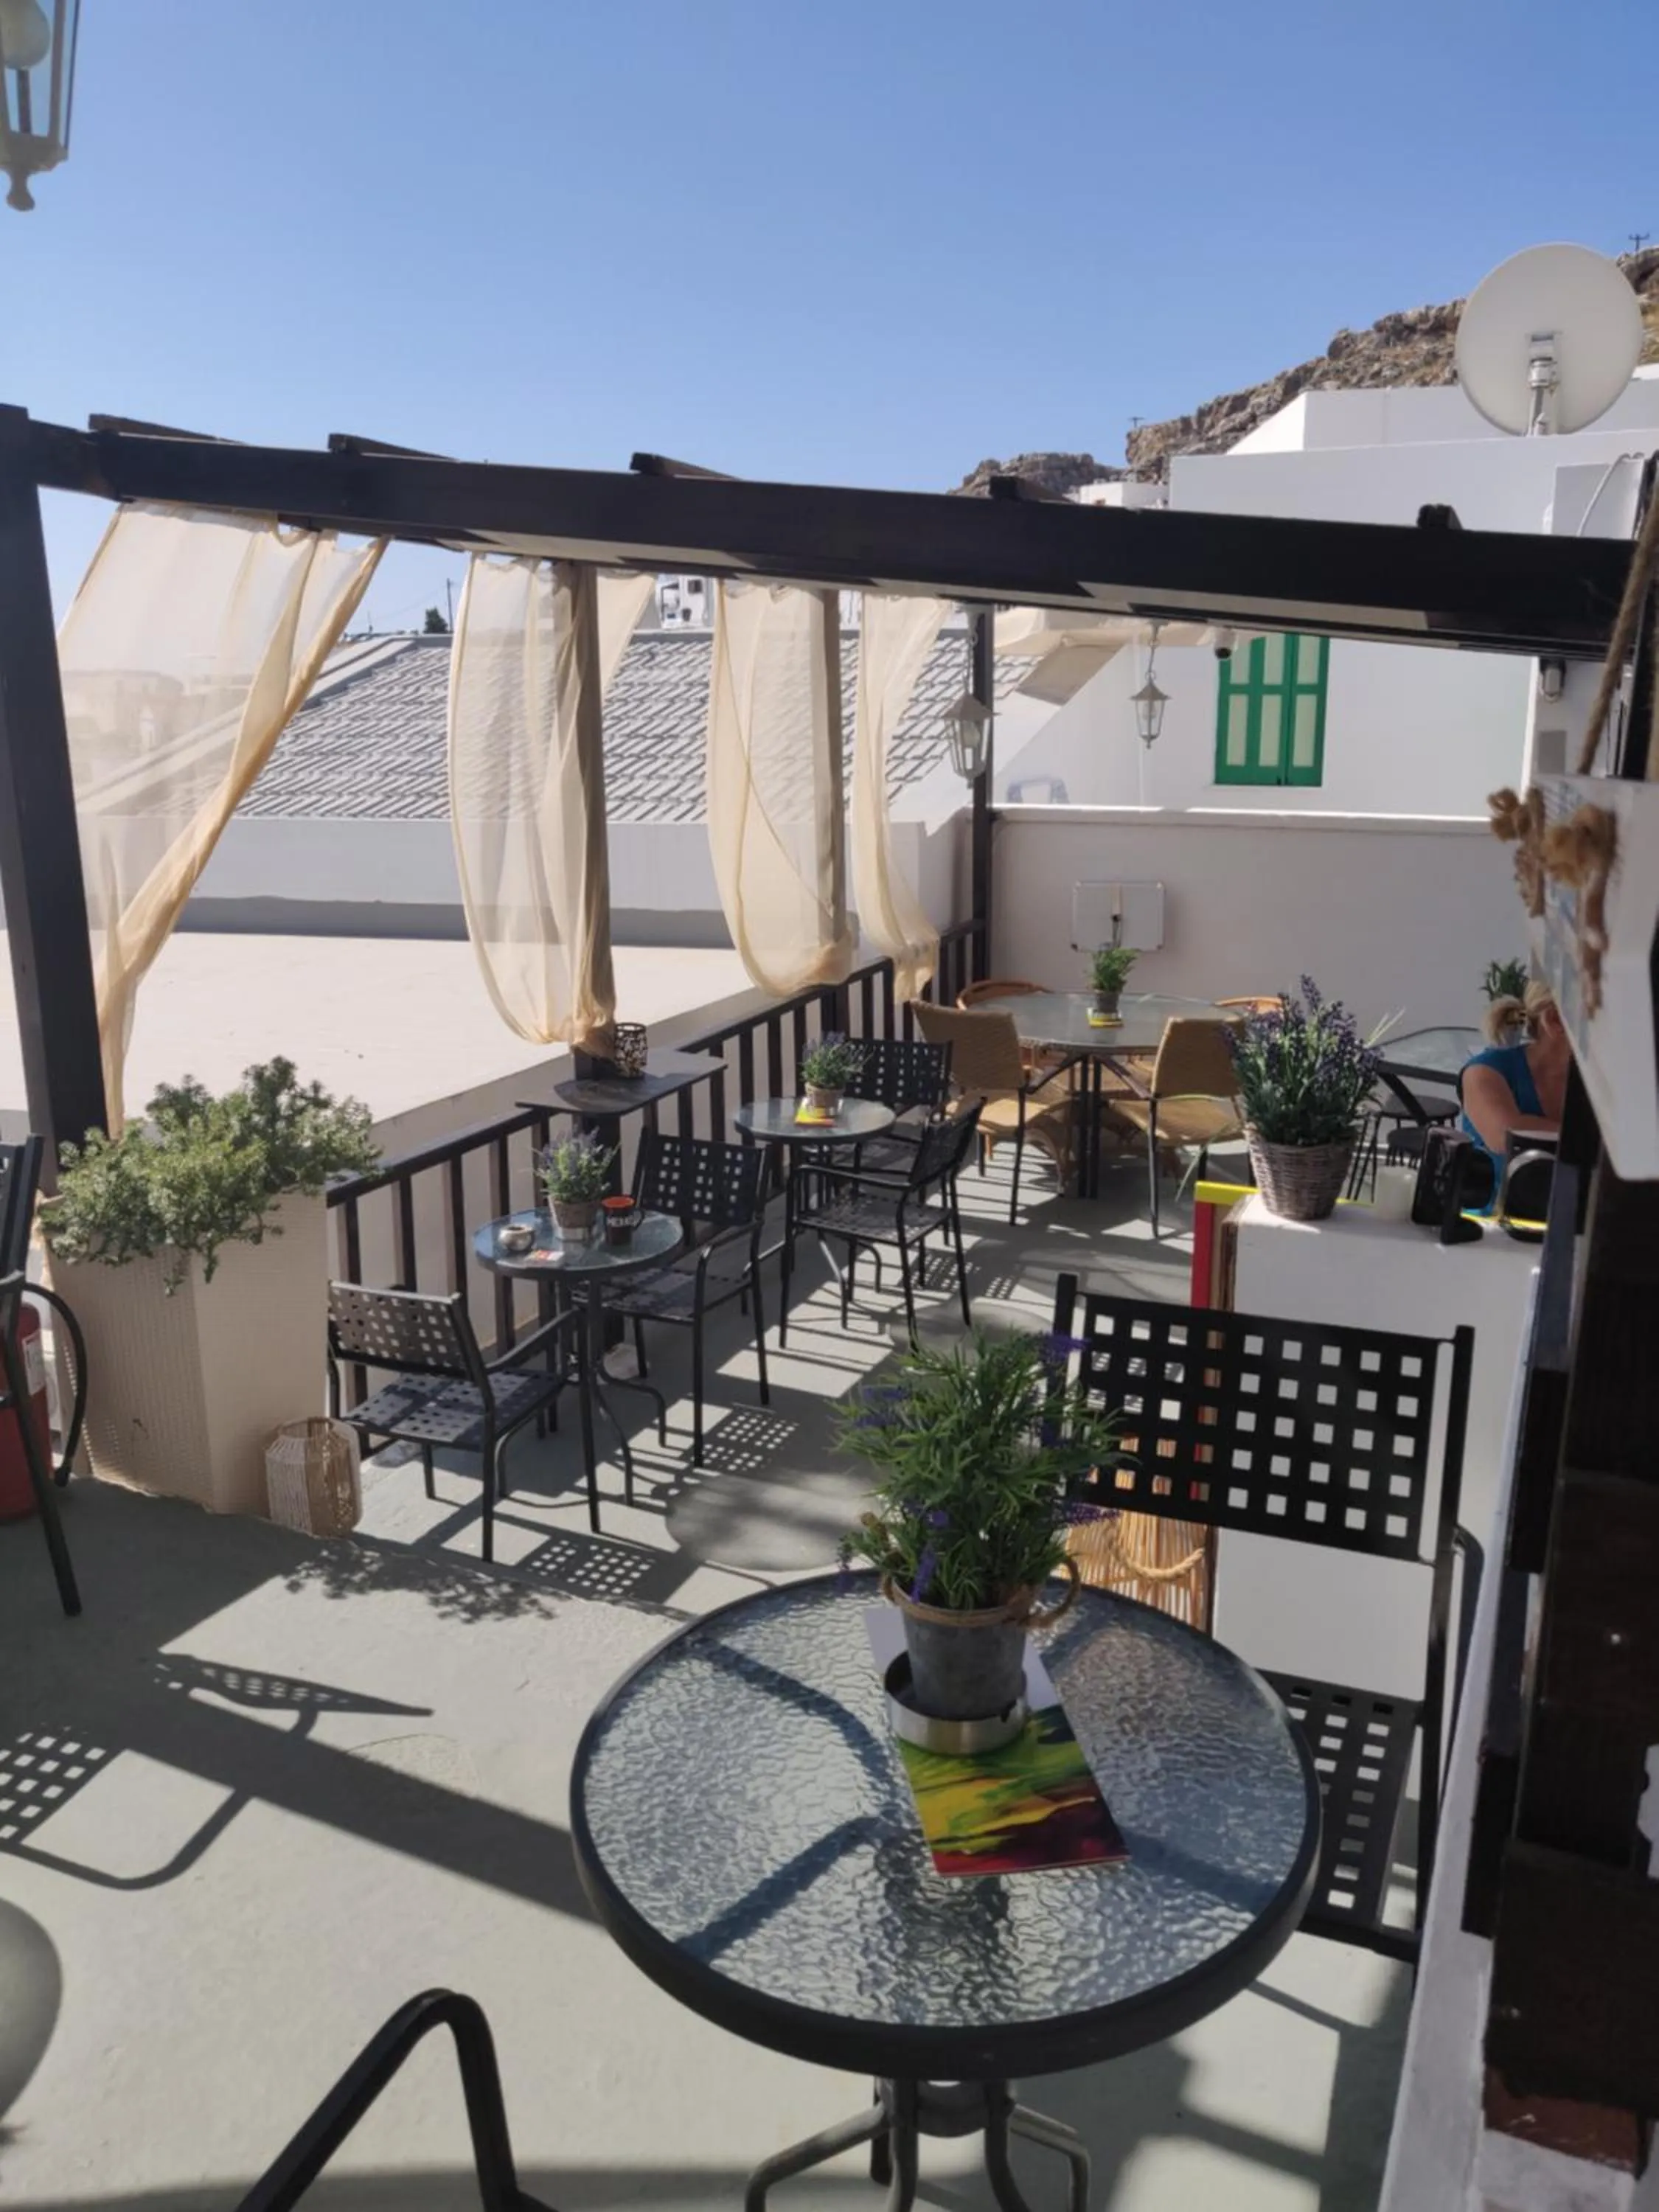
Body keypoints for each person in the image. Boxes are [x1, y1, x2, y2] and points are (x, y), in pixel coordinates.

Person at [1460, 981, 1569, 1187]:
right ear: (1555, 1020)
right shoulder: (1485, 1072)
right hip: (1490, 1217)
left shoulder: (1597, 1083)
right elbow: (1507, 1136)